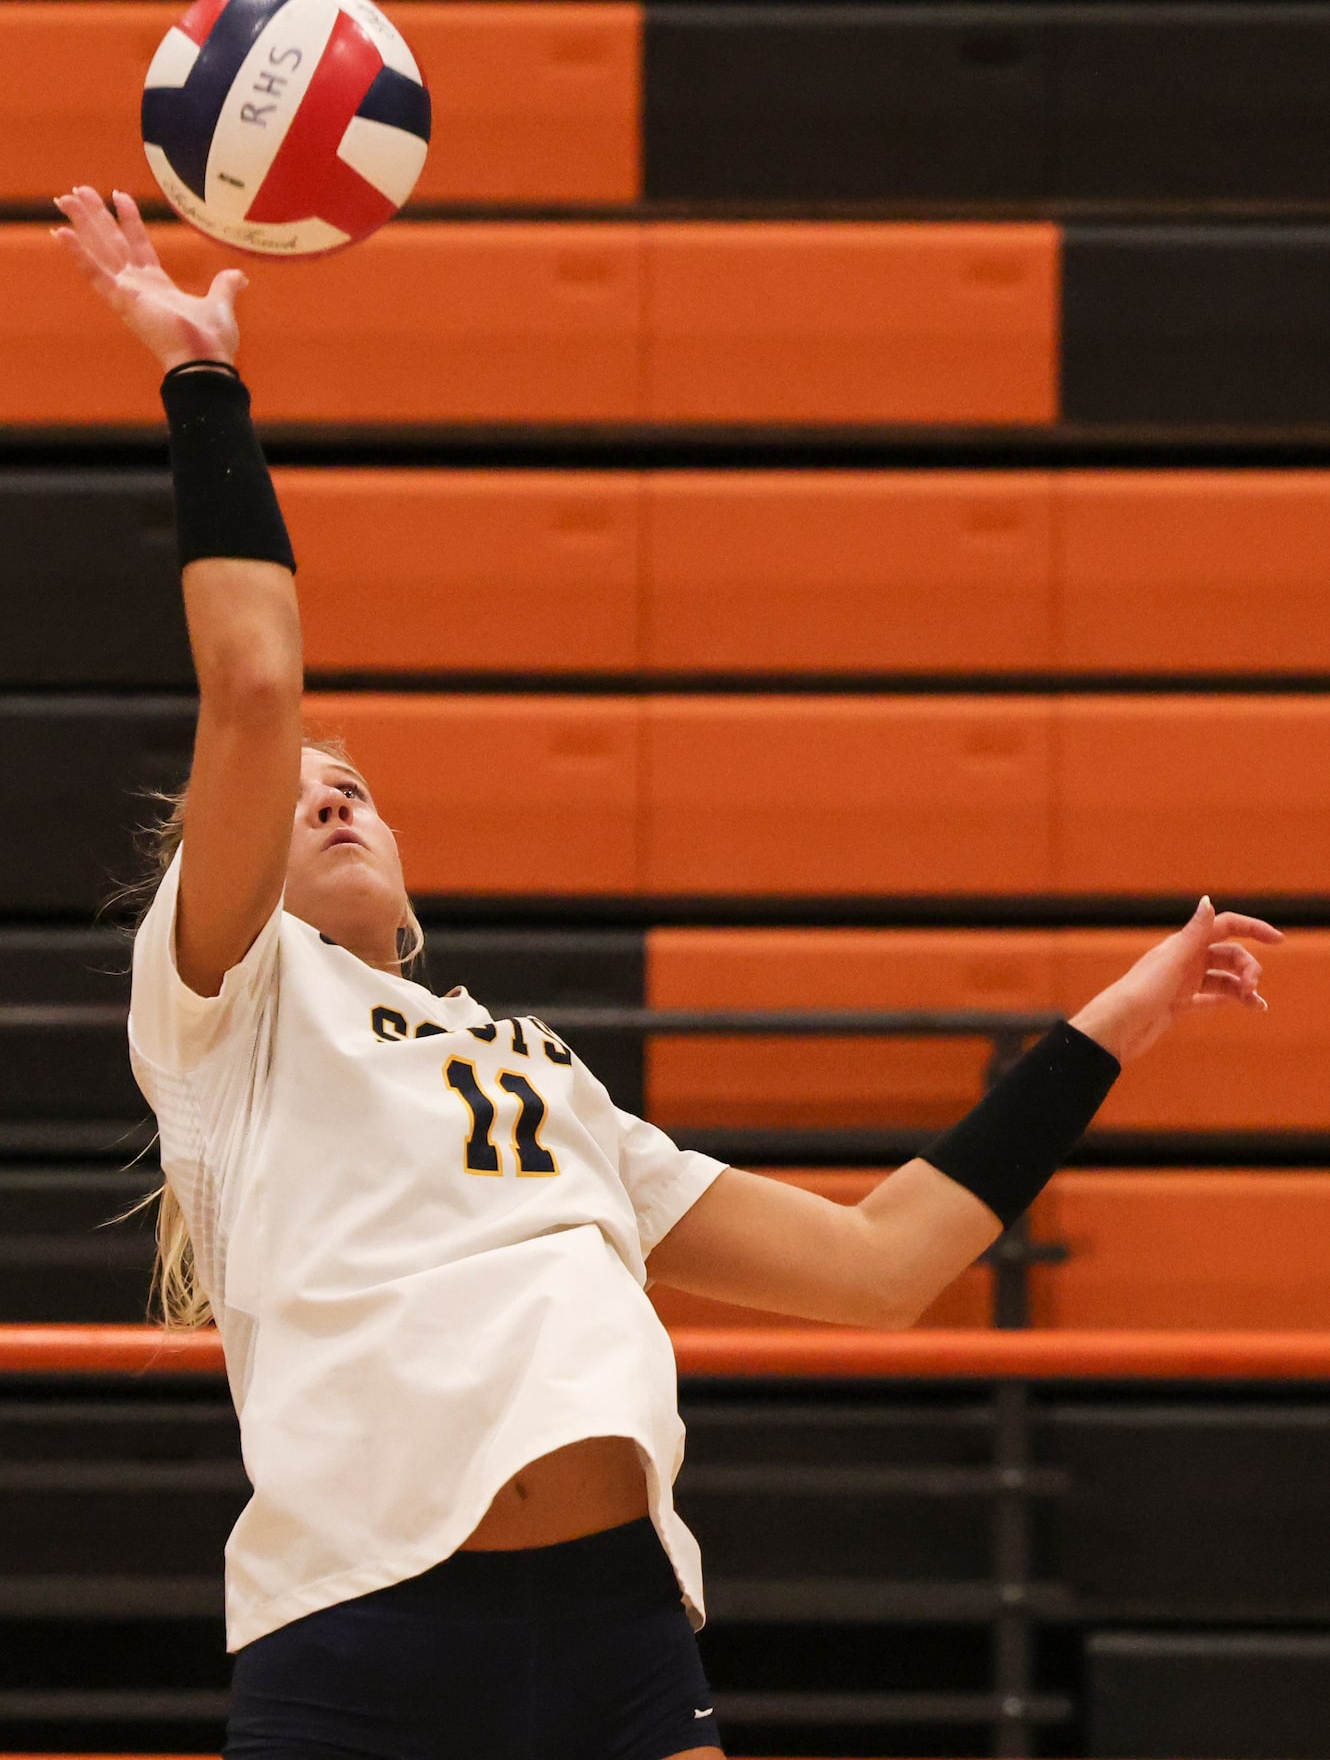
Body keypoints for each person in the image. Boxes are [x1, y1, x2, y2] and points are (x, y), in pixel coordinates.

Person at [53, 183, 1281, 1760]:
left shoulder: (549, 1084)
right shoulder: (231, 1008)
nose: (330, 790)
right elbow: (252, 680)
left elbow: (880, 1264)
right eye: (301, 789)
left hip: (615, 1625)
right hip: (359, 1622)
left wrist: (1127, 1013)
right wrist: (198, 372)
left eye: (355, 781)